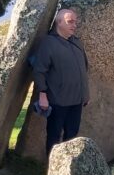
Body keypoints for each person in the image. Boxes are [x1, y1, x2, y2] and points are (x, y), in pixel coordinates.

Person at [32, 8, 90, 160]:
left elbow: (84, 69)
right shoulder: (48, 43)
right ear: (59, 22)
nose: (74, 25)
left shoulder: (77, 43)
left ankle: (70, 168)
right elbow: (39, 71)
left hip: (77, 100)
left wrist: (85, 93)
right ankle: (53, 170)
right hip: (58, 100)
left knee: (72, 136)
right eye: (70, 21)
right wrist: (43, 94)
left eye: (75, 22)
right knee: (54, 137)